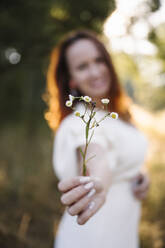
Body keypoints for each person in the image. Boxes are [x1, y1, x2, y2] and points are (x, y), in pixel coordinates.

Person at [45, 30, 150, 248]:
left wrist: (139, 176)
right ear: (71, 78)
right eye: (82, 66)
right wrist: (98, 183)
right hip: (92, 237)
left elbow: (121, 160)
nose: (95, 72)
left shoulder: (118, 116)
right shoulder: (80, 121)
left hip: (124, 234)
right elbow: (97, 158)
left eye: (99, 61)